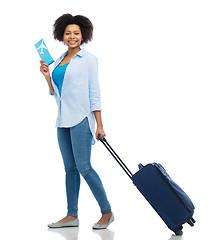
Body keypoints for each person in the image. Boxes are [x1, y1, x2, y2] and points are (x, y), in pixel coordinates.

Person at [39, 13, 114, 229]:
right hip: (62, 121)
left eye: (76, 33)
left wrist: (99, 124)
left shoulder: (89, 59)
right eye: (68, 33)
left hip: (81, 119)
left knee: (85, 168)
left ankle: (107, 211)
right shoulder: (59, 60)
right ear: (61, 35)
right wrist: (46, 76)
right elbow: (58, 93)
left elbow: (94, 92)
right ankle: (72, 215)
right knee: (70, 170)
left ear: (83, 35)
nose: (72, 36)